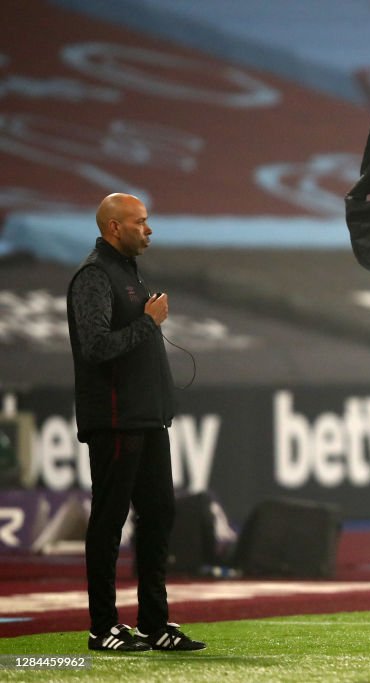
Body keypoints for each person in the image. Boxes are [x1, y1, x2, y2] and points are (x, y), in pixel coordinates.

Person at [67, 193, 205, 652]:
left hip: (146, 418)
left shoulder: (127, 272)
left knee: (159, 512)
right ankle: (102, 626)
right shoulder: (93, 275)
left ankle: (153, 623)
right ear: (114, 228)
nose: (149, 230)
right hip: (115, 419)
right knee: (109, 520)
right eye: (141, 222)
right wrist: (148, 322)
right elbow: (96, 346)